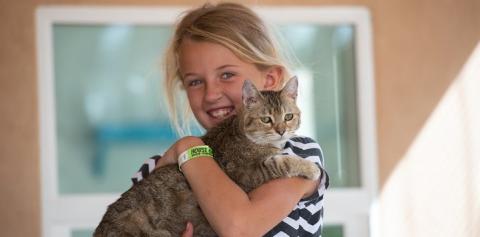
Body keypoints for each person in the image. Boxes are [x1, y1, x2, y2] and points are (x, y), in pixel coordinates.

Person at [131, 2, 329, 237]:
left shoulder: (297, 153)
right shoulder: (154, 168)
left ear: (269, 81)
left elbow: (239, 228)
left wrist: (189, 147)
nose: (211, 94)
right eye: (195, 82)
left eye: (227, 75)